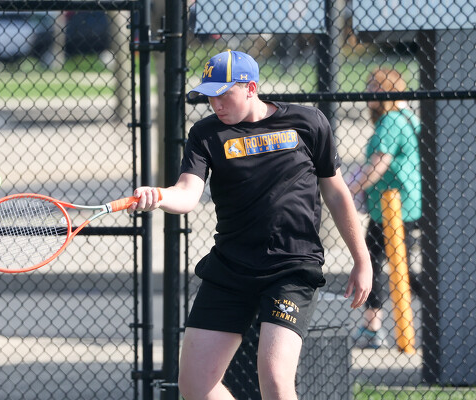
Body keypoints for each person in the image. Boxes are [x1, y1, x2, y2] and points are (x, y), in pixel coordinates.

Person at [129, 50, 372, 400]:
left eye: (223, 94)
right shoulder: (205, 134)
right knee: (195, 385)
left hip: (291, 267)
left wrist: (362, 260)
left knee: (275, 379)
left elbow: (336, 193)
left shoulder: (308, 123)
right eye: (209, 95)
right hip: (230, 268)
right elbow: (187, 193)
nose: (216, 103)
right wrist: (159, 196)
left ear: (251, 88)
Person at [347, 68, 422, 349]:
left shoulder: (390, 120)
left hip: (393, 206)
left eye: (374, 87)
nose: (368, 92)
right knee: (397, 265)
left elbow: (378, 163)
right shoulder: (407, 116)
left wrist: (349, 190)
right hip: (402, 204)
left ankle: (372, 328)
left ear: (388, 90)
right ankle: (374, 327)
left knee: (373, 263)